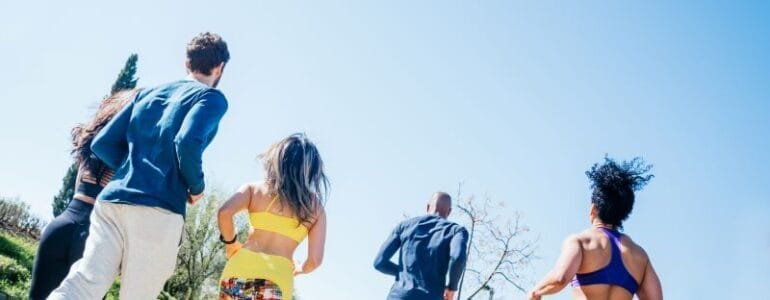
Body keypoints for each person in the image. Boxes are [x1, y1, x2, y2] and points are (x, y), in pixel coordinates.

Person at [49, 32, 230, 299]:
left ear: (186, 63)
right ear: (220, 67)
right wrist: (196, 186)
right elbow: (187, 141)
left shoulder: (146, 94)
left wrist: (133, 168)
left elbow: (102, 144)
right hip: (158, 209)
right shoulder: (212, 98)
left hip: (112, 203)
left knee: (84, 284)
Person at [27, 90, 137, 299]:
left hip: (61, 225)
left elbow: (79, 183)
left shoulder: (92, 142)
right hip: (94, 235)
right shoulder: (131, 152)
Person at [528, 156, 663, 300]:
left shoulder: (581, 241)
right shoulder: (640, 256)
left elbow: (560, 278)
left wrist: (535, 291)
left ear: (593, 208)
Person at [217, 133, 329, 300]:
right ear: (312, 171)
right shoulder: (315, 208)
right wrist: (300, 269)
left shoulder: (254, 189)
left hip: (239, 268)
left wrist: (231, 245)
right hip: (276, 277)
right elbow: (314, 260)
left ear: (277, 159)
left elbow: (224, 212)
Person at [374, 192, 469, 300]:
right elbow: (457, 258)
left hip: (399, 296)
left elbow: (379, 263)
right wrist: (452, 287)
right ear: (449, 212)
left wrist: (405, 273)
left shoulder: (404, 226)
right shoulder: (456, 231)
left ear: (427, 207)